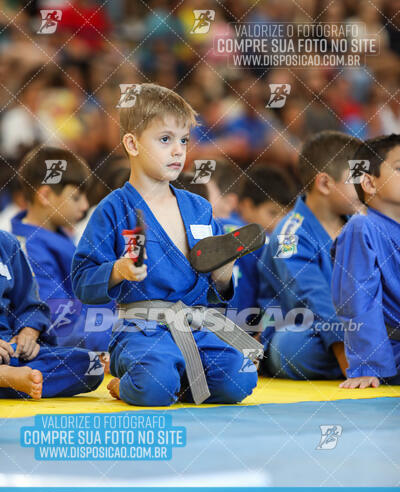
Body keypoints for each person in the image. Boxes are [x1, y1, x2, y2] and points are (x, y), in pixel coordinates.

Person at [72, 83, 261, 407]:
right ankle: (128, 383)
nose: (178, 151)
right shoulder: (114, 209)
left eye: (184, 140)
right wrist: (117, 270)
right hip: (141, 330)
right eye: (165, 139)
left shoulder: (198, 208)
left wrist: (224, 273)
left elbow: (215, 288)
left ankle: (179, 382)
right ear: (131, 143)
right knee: (154, 383)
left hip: (196, 325)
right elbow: (82, 280)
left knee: (238, 377)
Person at [257, 131, 362, 379]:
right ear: (325, 183)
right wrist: (349, 359)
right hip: (305, 325)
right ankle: (375, 360)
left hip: (358, 327)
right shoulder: (289, 233)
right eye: (357, 178)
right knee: (291, 348)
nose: (366, 185)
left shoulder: (360, 225)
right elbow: (311, 296)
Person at [11, 145, 114, 352]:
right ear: (46, 195)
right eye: (76, 197)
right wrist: (118, 331)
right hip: (73, 349)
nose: (85, 206)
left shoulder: (60, 238)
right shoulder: (29, 250)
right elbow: (59, 323)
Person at [0, 231, 103, 399]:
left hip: (10, 351)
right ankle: (6, 379)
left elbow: (30, 304)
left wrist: (28, 332)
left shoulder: (7, 244)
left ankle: (14, 377)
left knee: (90, 365)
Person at [332, 134, 400, 388]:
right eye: (399, 168)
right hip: (390, 352)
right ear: (370, 183)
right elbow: (357, 299)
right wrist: (368, 364)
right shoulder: (362, 229)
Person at [218, 164, 296, 330]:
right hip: (241, 330)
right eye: (273, 213)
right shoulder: (270, 241)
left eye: (286, 215)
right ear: (246, 206)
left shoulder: (217, 224)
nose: (280, 223)